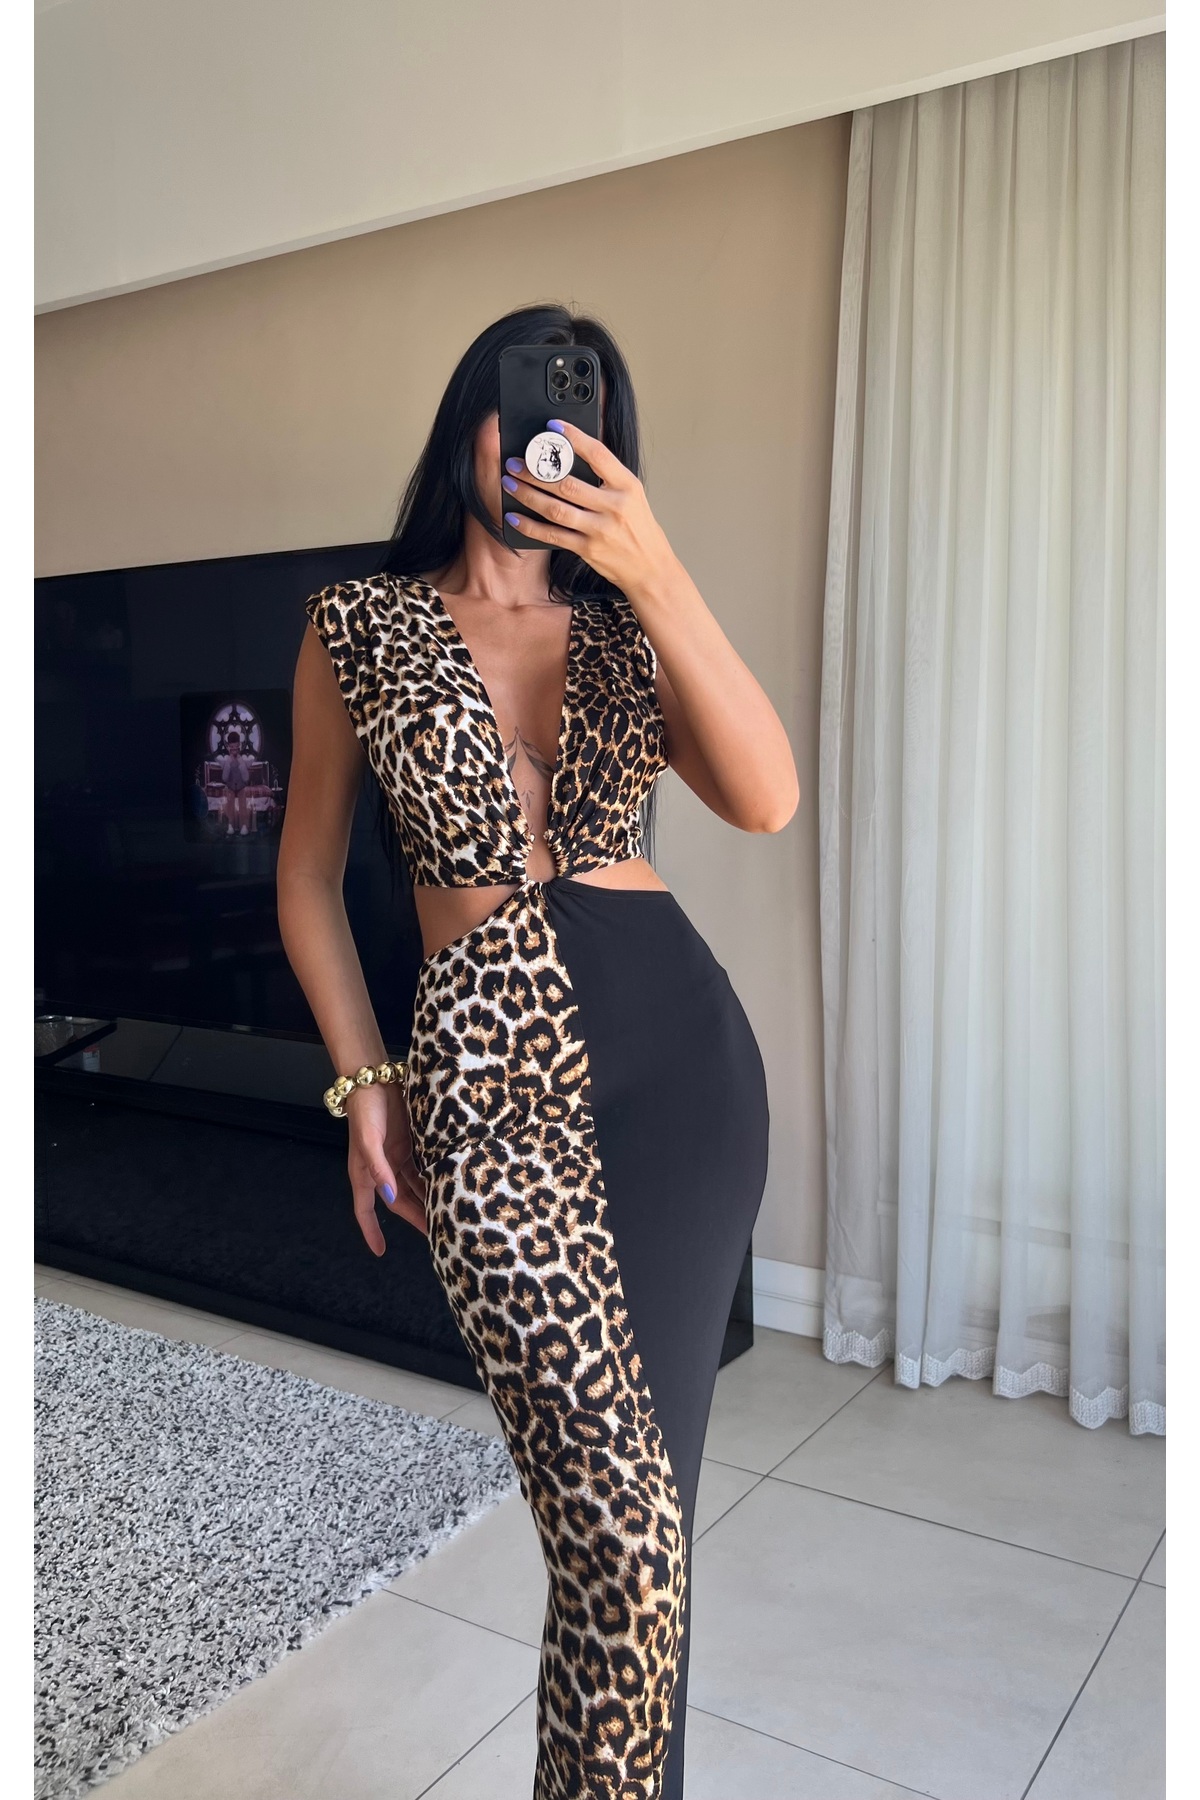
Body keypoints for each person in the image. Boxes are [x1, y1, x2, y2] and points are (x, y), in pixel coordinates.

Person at [276, 304, 798, 1800]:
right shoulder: (356, 624)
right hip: (487, 1083)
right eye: (533, 405)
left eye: (590, 421)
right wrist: (367, 1080)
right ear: (472, 419)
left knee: (647, 1534)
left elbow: (766, 798)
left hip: (681, 1067)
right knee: (619, 1538)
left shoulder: (633, 621)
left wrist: (657, 569)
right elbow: (306, 875)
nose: (557, 440)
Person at [219, 730, 252, 835]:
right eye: (232, 747)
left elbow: (246, 778)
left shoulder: (242, 760)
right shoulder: (227, 761)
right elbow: (224, 778)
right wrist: (229, 762)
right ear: (229, 747)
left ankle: (244, 825)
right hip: (231, 786)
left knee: (243, 804)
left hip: (241, 786)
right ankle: (230, 825)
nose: (234, 749)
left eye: (236, 747)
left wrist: (240, 762)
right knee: (230, 804)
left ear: (239, 746)